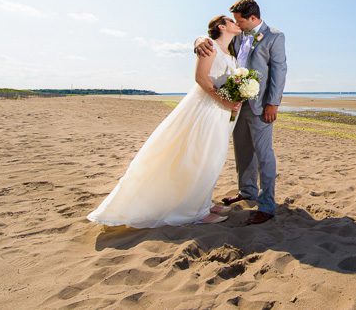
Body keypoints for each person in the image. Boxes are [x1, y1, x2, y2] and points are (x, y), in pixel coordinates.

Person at [87, 15, 243, 228]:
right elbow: (201, 78)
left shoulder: (231, 54)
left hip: (222, 113)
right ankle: (192, 211)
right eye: (231, 21)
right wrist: (223, 100)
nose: (237, 24)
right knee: (197, 156)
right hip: (205, 108)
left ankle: (203, 203)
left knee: (212, 157)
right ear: (221, 26)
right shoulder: (209, 46)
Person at [194, 0, 287, 225]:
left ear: (252, 18)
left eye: (239, 20)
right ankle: (247, 192)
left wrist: (273, 103)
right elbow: (214, 40)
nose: (238, 24)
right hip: (235, 105)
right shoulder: (237, 36)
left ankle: (266, 205)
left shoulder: (274, 36)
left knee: (264, 155)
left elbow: (280, 70)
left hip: (261, 106)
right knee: (243, 152)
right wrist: (197, 40)